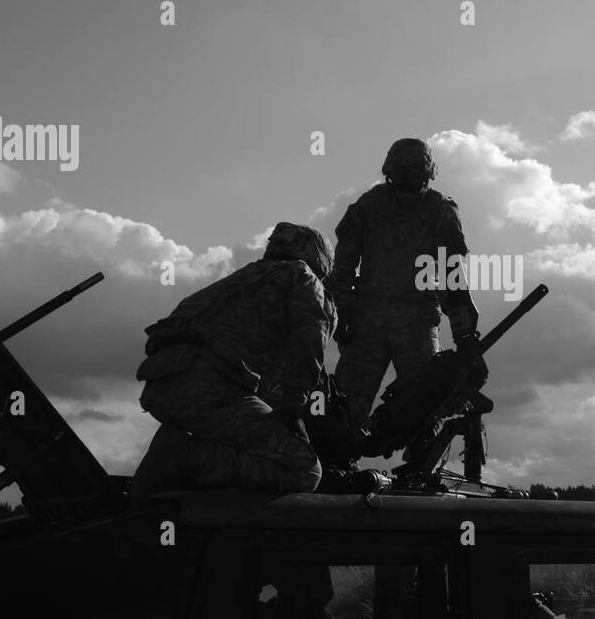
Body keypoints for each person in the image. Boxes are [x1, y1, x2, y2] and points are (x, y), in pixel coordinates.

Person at [132, 222, 335, 501]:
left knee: (243, 444)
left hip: (163, 391)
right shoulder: (302, 277)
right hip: (212, 389)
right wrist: (295, 404)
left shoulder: (237, 280)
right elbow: (309, 342)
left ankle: (171, 471)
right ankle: (187, 455)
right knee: (303, 470)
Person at [326, 137, 481, 428]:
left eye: (413, 176)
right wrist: (343, 311)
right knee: (347, 403)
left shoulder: (440, 210)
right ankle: (339, 460)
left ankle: (420, 463)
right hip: (369, 318)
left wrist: (464, 332)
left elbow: (452, 273)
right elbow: (344, 264)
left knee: (425, 399)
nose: (406, 184)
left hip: (415, 319)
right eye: (401, 176)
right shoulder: (369, 205)